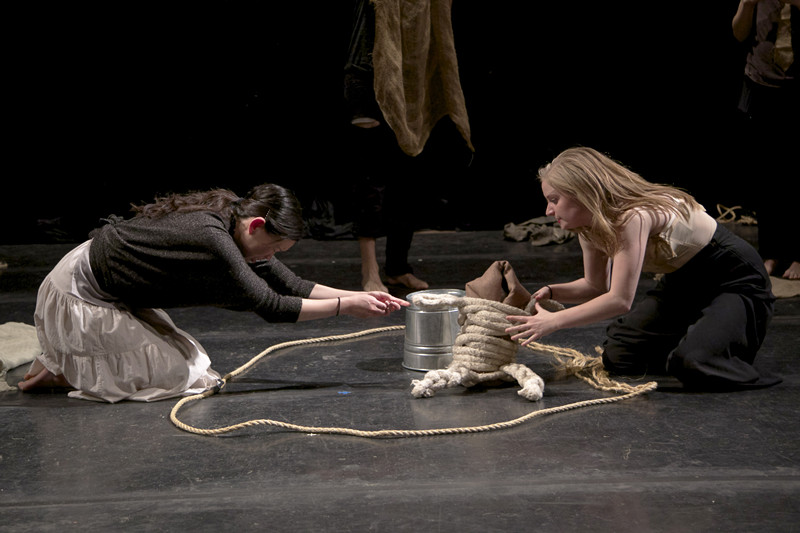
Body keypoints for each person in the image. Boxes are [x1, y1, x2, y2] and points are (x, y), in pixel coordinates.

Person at [18, 184, 408, 402]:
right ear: (256, 226)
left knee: (192, 361)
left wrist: (359, 296)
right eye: (273, 248)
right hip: (80, 293)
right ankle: (65, 369)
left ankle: (63, 363)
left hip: (107, 287)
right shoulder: (213, 238)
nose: (271, 257)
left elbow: (291, 284)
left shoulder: (233, 217)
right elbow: (270, 304)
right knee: (183, 376)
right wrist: (346, 307)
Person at [505, 147, 780, 390]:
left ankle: (708, 346)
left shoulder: (631, 216)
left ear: (583, 193)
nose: (548, 211)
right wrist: (551, 292)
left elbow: (620, 300)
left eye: (554, 200)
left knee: (694, 362)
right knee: (620, 355)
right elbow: (595, 286)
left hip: (733, 278)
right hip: (683, 282)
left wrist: (553, 321)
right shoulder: (588, 228)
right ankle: (698, 336)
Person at [732, 0, 799, 279]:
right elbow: (739, 33)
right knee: (766, 176)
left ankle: (798, 256)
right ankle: (771, 252)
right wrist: (748, 4)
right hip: (761, 82)